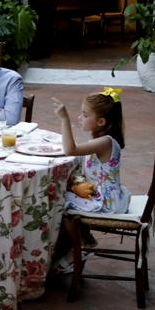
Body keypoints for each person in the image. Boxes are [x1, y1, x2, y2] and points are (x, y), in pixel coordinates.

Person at [51, 88, 131, 273]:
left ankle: (81, 245)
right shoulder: (101, 140)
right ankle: (80, 241)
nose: (80, 117)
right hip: (102, 195)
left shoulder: (106, 142)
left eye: (85, 114)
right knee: (64, 195)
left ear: (101, 122)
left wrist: (65, 119)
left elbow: (70, 150)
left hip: (105, 202)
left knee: (59, 202)